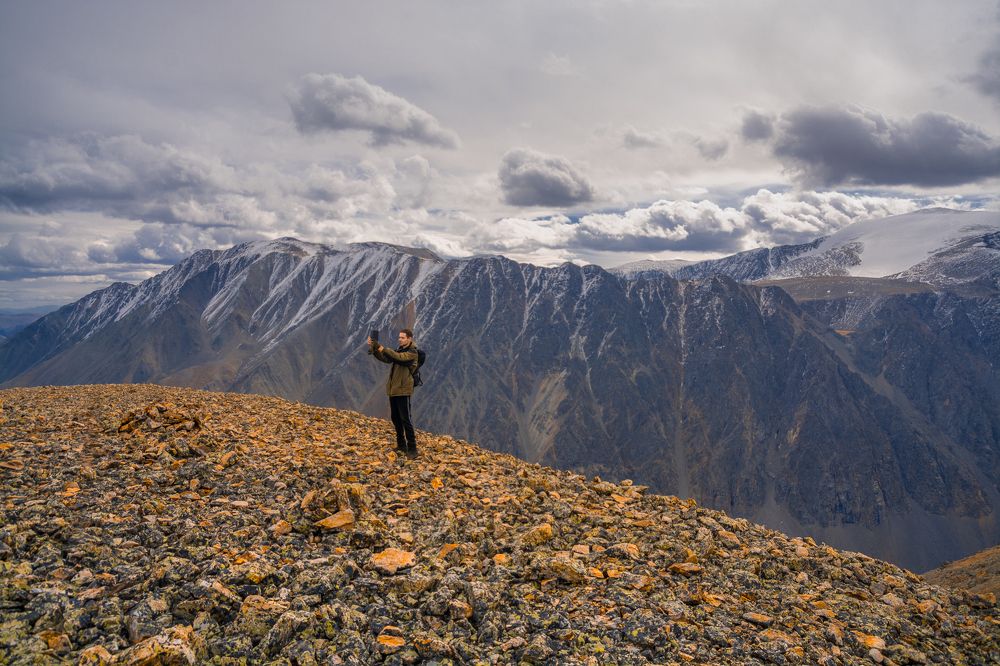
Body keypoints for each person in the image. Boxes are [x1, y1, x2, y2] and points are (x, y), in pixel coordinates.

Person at [367, 328, 419, 457]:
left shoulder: (412, 353)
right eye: (399, 337)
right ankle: (401, 445)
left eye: (402, 337)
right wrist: (375, 349)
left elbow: (399, 358)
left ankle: (412, 449)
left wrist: (381, 348)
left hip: (403, 390)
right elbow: (387, 359)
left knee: (406, 419)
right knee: (396, 418)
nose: (400, 339)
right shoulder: (400, 349)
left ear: (409, 339)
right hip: (394, 389)